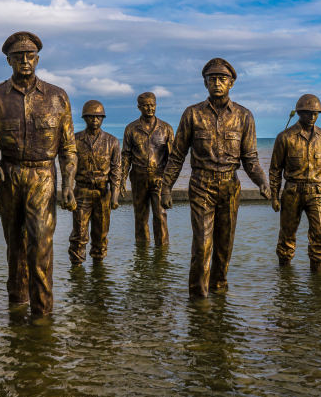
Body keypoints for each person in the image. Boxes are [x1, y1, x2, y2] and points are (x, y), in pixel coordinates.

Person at [0, 31, 77, 316]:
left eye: (29, 55)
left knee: (41, 242)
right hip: (9, 174)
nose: (24, 60)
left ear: (38, 59)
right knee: (15, 244)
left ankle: (42, 312)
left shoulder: (58, 97)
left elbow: (68, 147)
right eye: (18, 56)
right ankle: (17, 304)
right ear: (8, 61)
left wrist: (68, 183)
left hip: (43, 174)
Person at [161, 58, 271, 298]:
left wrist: (263, 181)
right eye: (213, 79)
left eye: (222, 79)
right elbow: (177, 155)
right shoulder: (192, 114)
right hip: (201, 185)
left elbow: (250, 159)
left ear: (231, 83)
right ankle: (198, 299)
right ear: (205, 83)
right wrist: (166, 188)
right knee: (202, 246)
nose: (217, 83)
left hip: (230, 186)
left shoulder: (244, 116)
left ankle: (219, 294)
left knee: (224, 246)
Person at [269, 94, 321, 272]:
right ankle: (285, 278)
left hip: (316, 192)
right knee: (286, 237)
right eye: (308, 113)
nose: (312, 117)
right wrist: (274, 197)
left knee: (320, 236)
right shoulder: (284, 137)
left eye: (316, 113)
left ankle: (317, 280)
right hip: (292, 192)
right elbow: (275, 170)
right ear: (299, 113)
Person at [68, 100, 121, 264]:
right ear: (84, 118)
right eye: (91, 117)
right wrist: (68, 191)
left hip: (103, 193)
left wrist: (115, 195)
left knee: (101, 233)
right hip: (82, 192)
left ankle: (99, 271)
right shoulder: (75, 140)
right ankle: (76, 273)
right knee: (79, 234)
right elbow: (69, 168)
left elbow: (116, 170)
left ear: (103, 118)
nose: (94, 120)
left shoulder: (112, 141)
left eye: (98, 117)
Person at [120, 92, 174, 245]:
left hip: (159, 178)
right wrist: (122, 179)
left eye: (152, 105)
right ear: (139, 107)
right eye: (146, 105)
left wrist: (169, 184)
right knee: (140, 216)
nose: (149, 108)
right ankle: (142, 251)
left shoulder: (166, 128)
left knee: (160, 215)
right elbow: (126, 156)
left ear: (156, 105)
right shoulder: (131, 129)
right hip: (138, 177)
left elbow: (173, 159)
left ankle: (162, 252)